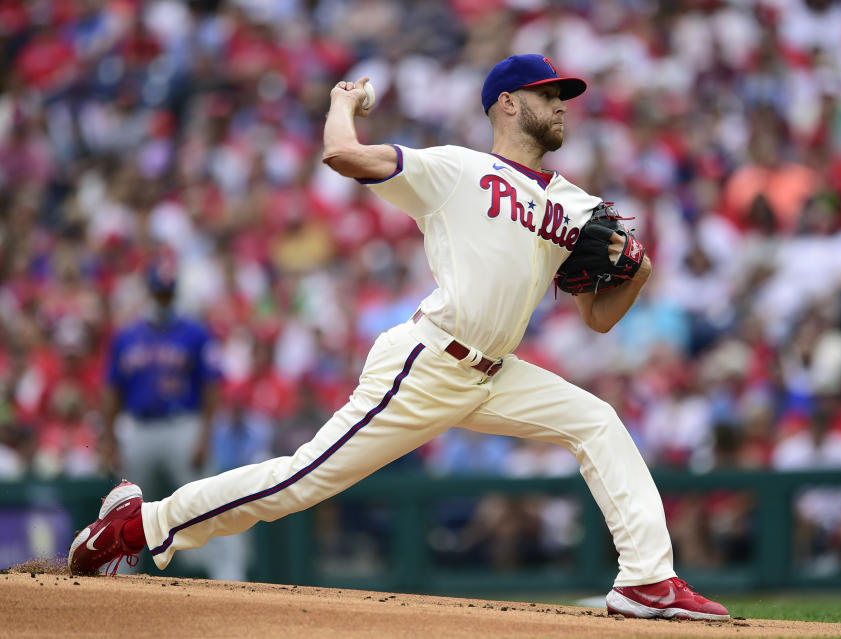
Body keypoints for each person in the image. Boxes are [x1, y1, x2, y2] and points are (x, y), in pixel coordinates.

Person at [68, 54, 729, 620]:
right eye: (549, 94)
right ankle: (137, 525)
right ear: (507, 103)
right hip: (427, 363)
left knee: (598, 421)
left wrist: (635, 274)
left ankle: (645, 578)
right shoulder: (456, 170)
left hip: (495, 373)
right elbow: (340, 153)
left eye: (564, 97)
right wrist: (342, 102)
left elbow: (598, 317)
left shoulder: (575, 204)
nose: (561, 106)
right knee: (298, 481)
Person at [96, 257, 223, 575]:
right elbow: (112, 390)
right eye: (158, 293)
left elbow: (211, 387)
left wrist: (205, 436)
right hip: (138, 428)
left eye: (167, 294)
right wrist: (109, 438)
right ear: (149, 292)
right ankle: (117, 575)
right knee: (126, 508)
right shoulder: (126, 335)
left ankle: (226, 571)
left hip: (183, 425)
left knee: (205, 501)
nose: (162, 300)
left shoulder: (195, 333)